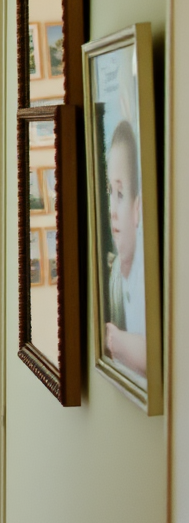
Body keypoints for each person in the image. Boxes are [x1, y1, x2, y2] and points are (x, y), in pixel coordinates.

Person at [103, 119, 146, 377]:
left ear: (137, 207)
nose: (112, 211)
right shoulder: (117, 276)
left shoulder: (145, 277)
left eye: (120, 194)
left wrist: (117, 343)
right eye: (110, 191)